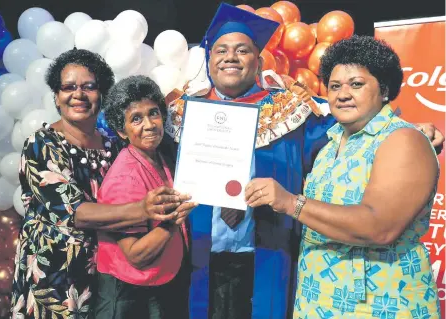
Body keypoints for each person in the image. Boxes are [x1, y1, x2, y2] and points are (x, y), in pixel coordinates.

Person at [166, 4, 445, 319]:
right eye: (221, 51)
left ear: (258, 62)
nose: (231, 57)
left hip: (269, 256)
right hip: (200, 256)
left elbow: (360, 122)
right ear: (209, 59)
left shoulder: (292, 112)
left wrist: (416, 127)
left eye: (242, 50)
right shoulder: (177, 114)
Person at [245, 35, 441, 318]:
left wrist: (291, 203)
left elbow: (379, 227)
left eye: (356, 84)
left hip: (379, 305)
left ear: (384, 90)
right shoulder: (330, 144)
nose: (342, 94)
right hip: (318, 303)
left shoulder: (403, 140)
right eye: (335, 86)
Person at [10, 50, 190, 318]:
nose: (78, 95)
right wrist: (143, 209)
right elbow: (76, 213)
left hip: (104, 276)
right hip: (55, 277)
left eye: (89, 87)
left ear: (101, 94)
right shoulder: (42, 144)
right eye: (68, 87)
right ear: (56, 96)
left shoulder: (113, 144)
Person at [93, 75, 197, 319]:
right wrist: (173, 223)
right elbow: (136, 255)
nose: (149, 124)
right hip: (132, 298)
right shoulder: (125, 177)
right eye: (136, 119)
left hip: (162, 284)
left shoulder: (161, 157)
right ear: (122, 130)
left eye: (153, 113)